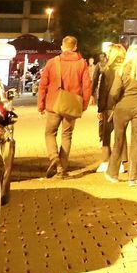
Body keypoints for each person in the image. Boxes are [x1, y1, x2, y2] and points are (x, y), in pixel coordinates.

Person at [37, 36, 92, 178]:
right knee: (67, 135)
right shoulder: (82, 64)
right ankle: (62, 170)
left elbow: (42, 85)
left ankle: (54, 157)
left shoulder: (52, 62)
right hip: (72, 105)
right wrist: (84, 105)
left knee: (50, 133)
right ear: (75, 47)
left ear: (62, 47)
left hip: (53, 104)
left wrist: (41, 104)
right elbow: (87, 86)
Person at [107, 45, 137, 186]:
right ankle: (132, 178)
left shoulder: (122, 70)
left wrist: (114, 103)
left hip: (123, 107)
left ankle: (113, 174)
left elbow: (115, 92)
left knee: (118, 141)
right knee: (136, 143)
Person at [93, 44, 127, 173]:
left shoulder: (108, 70)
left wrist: (100, 109)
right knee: (121, 134)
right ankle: (123, 162)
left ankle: (105, 161)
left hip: (109, 105)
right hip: (125, 105)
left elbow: (103, 90)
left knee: (106, 134)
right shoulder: (128, 68)